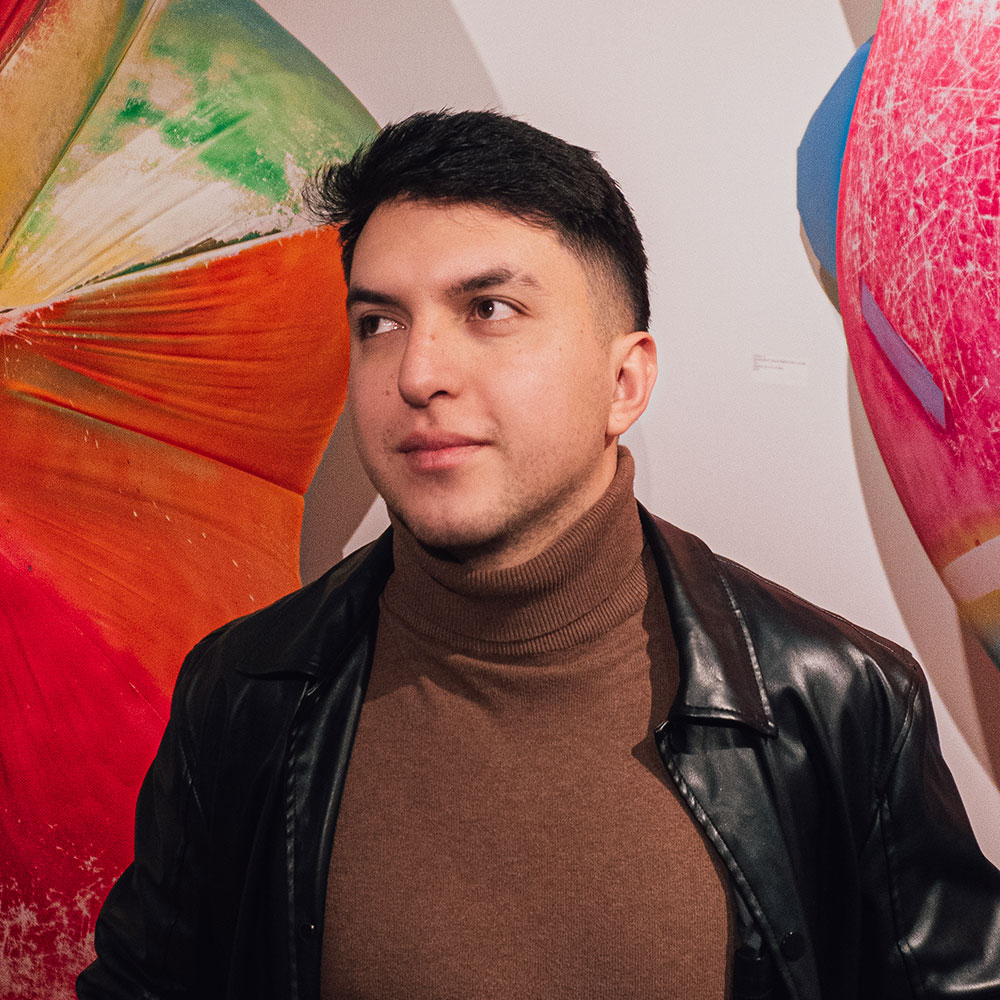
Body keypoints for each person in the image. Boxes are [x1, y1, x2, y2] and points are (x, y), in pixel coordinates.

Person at [77, 109, 1000, 1000]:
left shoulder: (836, 700)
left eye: (488, 308)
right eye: (378, 323)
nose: (417, 373)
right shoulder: (246, 693)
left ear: (624, 380)